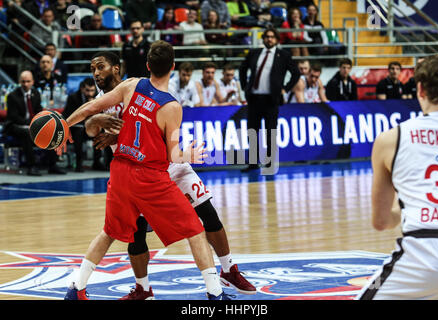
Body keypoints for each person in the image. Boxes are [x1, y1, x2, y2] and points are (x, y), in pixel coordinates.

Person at [62, 41, 232, 300]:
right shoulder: (172, 107)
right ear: (173, 68)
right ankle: (215, 293)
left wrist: (64, 124)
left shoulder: (131, 86)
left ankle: (77, 287)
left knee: (109, 232)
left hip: (120, 171)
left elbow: (90, 108)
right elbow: (173, 155)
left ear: (147, 65)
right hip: (150, 176)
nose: (96, 73)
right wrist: (191, 155)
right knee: (196, 231)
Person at [356, 54, 438, 300]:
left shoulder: (391, 139)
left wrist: (410, 208)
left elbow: (381, 221)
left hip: (424, 255)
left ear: (420, 89)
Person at [239, 27, 300, 172]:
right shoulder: (255, 53)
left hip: (271, 99)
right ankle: (253, 163)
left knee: (270, 131)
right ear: (263, 39)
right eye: (267, 36)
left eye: (272, 37)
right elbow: (242, 68)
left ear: (277, 40)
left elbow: (296, 73)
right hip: (254, 97)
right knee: (252, 131)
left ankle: (269, 161)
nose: (269, 39)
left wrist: (285, 88)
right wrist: (244, 86)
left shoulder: (283, 55)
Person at [4, 71, 65, 176]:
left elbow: (39, 111)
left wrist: (40, 123)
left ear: (32, 82)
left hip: (32, 124)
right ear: (19, 82)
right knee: (27, 133)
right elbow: (14, 116)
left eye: (28, 81)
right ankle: (31, 166)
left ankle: (52, 165)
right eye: (23, 81)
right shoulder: (12, 96)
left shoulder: (36, 94)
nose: (25, 84)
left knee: (52, 130)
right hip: (15, 125)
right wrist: (31, 124)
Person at [62, 77, 102, 172]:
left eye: (92, 90)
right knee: (78, 133)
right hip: (77, 127)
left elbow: (101, 115)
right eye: (87, 90)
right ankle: (78, 163)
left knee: (101, 131)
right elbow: (69, 116)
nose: (90, 93)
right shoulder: (73, 98)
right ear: (82, 88)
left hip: (91, 127)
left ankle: (97, 162)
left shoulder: (98, 98)